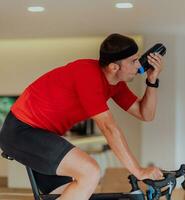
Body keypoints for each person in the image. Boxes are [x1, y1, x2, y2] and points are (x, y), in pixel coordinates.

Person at [0, 33, 164, 200]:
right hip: (21, 132)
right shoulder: (87, 75)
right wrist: (138, 171)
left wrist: (152, 80)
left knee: (70, 193)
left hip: (44, 136)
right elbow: (109, 128)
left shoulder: (116, 84)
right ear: (114, 67)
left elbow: (146, 114)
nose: (138, 65)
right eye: (133, 61)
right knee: (90, 171)